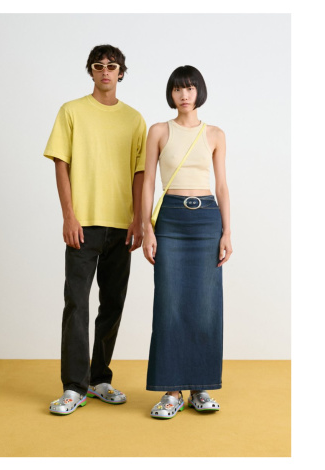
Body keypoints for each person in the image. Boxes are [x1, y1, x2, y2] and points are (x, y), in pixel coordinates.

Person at [43, 45, 147, 415]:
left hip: (121, 227)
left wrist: (138, 219)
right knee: (77, 304)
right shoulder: (71, 111)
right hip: (83, 225)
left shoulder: (134, 119)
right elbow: (61, 163)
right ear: (90, 71)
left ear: (121, 73)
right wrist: (69, 217)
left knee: (112, 304)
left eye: (112, 66)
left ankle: (99, 378)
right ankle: (74, 386)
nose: (105, 71)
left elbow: (140, 173)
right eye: (99, 66)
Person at [141, 65, 233, 419]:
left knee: (206, 305)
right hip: (170, 220)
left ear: (199, 92)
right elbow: (149, 181)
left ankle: (200, 388)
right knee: (169, 304)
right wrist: (147, 229)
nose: (184, 95)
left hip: (207, 219)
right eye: (178, 88)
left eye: (190, 88)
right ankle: (171, 391)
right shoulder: (158, 131)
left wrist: (227, 231)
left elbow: (221, 185)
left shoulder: (215, 134)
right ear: (171, 93)